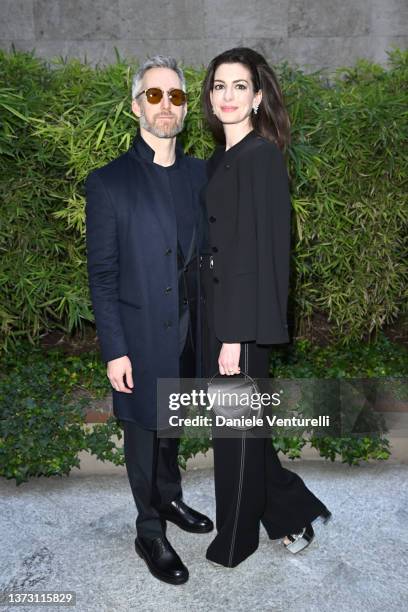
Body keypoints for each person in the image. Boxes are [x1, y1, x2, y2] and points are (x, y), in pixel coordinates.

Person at [200, 47, 332, 568]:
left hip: (242, 323)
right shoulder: (220, 158)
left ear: (257, 97)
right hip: (217, 315)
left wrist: (234, 336)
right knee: (241, 430)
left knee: (234, 435)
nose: (227, 96)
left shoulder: (261, 156)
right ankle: (292, 511)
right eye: (218, 86)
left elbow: (265, 255)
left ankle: (236, 541)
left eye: (239, 86)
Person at [85, 55, 213, 586]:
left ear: (185, 108)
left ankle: (171, 497)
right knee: (143, 434)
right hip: (138, 337)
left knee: (171, 428)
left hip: (191, 334)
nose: (166, 105)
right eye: (155, 95)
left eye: (177, 96)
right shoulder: (109, 182)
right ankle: (149, 529)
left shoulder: (202, 173)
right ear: (137, 105)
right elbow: (103, 274)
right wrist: (114, 348)